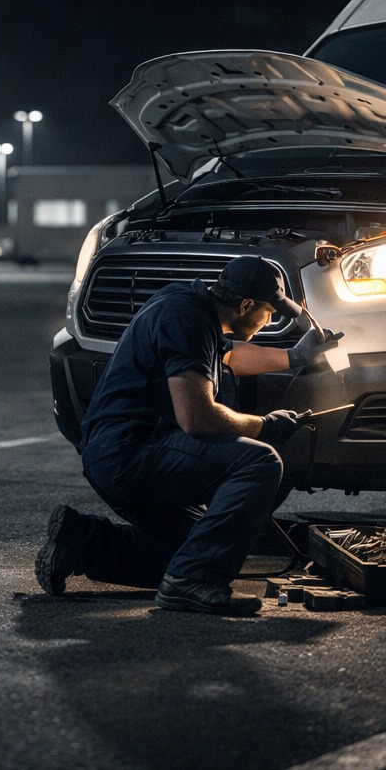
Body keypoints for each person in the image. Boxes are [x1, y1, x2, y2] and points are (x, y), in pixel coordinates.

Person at [35, 256, 342, 614]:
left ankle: (81, 542)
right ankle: (194, 583)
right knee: (259, 460)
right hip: (129, 454)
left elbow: (232, 357)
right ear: (245, 305)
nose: (270, 320)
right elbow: (197, 417)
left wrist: (296, 356)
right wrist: (266, 426)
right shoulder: (187, 320)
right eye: (269, 313)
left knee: (194, 549)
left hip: (118, 453)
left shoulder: (191, 307)